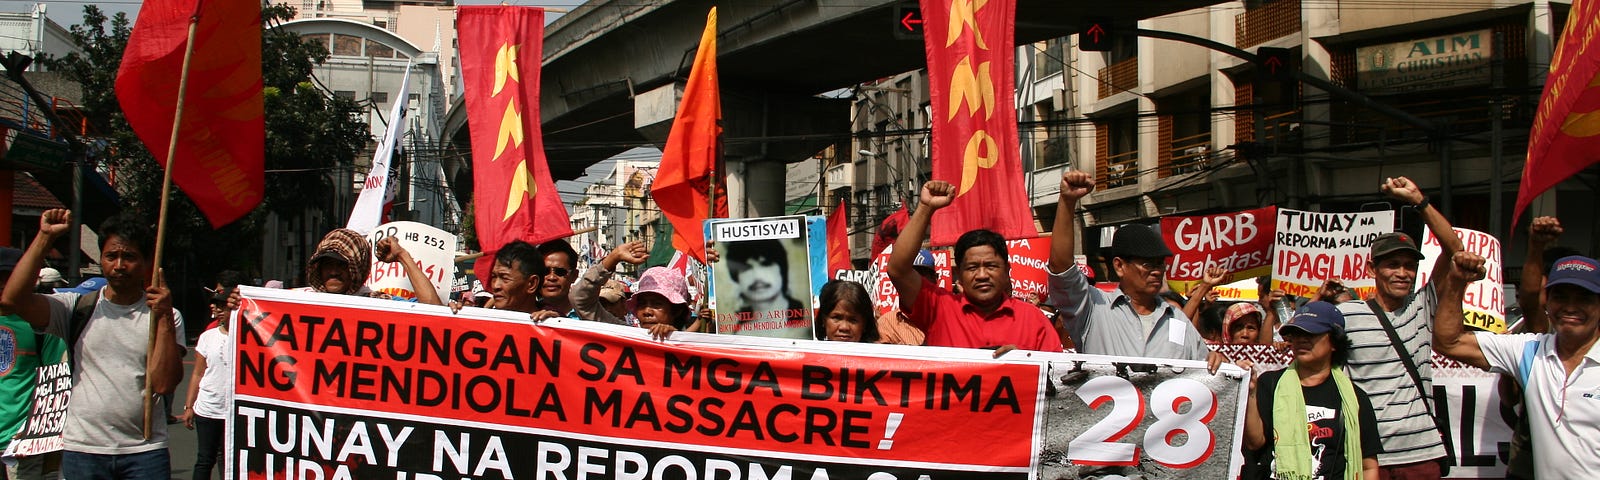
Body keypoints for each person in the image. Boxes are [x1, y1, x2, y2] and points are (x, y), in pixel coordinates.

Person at [0, 209, 185, 480]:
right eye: (111, 256)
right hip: (82, 449)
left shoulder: (165, 314)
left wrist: (165, 318)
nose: (119, 265)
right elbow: (12, 301)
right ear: (101, 259)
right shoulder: (75, 307)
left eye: (129, 257)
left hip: (144, 451)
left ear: (147, 263)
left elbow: (164, 384)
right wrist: (44, 238)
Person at [1334, 176, 1462, 475]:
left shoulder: (1424, 306)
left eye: (1409, 265)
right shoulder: (1345, 315)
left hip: (1422, 453)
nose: (1402, 273)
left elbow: (1455, 249)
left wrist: (1419, 200)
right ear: (1372, 269)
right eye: (1392, 265)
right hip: (1367, 457)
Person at [1434, 252, 1600, 476]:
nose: (1570, 307)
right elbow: (1448, 341)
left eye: (1584, 298)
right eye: (1561, 297)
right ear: (1547, 302)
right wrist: (1456, 281)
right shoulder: (1530, 351)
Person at [1047, 171, 1226, 371]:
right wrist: (1067, 202)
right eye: (1148, 264)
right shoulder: (1094, 309)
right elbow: (1061, 268)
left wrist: (1218, 363)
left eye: (1160, 264)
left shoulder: (1177, 318)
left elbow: (1203, 372)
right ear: (1119, 266)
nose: (1157, 272)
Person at [886, 181, 1062, 354]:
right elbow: (898, 270)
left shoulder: (1034, 319)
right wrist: (926, 208)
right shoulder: (938, 308)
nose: (982, 275)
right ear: (959, 276)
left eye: (991, 266)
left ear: (1007, 270)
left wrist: (1024, 361)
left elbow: (1055, 376)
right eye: (972, 268)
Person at [1244, 301, 1381, 480]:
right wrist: (1251, 394)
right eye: (1296, 334)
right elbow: (1255, 443)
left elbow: (1368, 466)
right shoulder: (1270, 383)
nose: (1301, 340)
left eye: (1311, 333)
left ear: (1334, 342)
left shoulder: (1354, 398)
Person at [300, 229, 443, 305]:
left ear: (359, 268)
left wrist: (401, 255)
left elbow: (432, 310)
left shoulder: (379, 303)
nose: (333, 272)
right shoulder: (300, 301)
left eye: (342, 265)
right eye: (327, 264)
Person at [178, 291, 232, 480]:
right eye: (215, 306)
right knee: (205, 459)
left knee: (229, 461)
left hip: (233, 411)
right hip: (208, 408)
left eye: (222, 305)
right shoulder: (207, 337)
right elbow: (198, 373)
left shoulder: (247, 336)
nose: (217, 309)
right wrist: (189, 406)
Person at [721, 238, 809, 336]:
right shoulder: (740, 333)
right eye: (746, 268)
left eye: (765, 264)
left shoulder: (808, 326)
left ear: (782, 270)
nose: (757, 276)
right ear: (736, 277)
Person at [570, 241, 647, 325]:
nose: (607, 309)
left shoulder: (629, 333)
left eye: (611, 303)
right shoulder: (618, 330)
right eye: (601, 304)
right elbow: (578, 298)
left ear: (624, 305)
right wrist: (614, 256)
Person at [875, 249, 938, 346]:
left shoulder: (948, 318)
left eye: (922, 275)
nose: (915, 282)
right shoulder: (886, 324)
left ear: (934, 279)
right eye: (909, 276)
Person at [480, 240, 544, 314]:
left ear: (532, 284)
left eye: (505, 278)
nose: (495, 286)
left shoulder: (552, 322)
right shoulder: (484, 321)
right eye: (494, 277)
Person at [629, 267, 694, 340]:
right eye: (641, 304)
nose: (647, 311)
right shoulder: (627, 339)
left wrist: (673, 337)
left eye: (657, 304)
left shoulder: (691, 345)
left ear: (677, 310)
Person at [814, 279, 880, 343]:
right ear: (823, 320)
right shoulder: (809, 352)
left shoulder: (878, 353)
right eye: (836, 318)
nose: (844, 327)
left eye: (853, 320)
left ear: (865, 325)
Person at [531, 240, 581, 319]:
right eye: (545, 271)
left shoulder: (589, 316)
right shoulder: (524, 315)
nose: (552, 277)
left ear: (574, 276)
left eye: (560, 272)